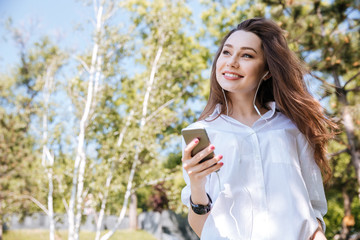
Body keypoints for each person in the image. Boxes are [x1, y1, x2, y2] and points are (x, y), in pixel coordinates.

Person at [181, 18, 336, 240]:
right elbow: (202, 228)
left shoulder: (292, 129)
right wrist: (197, 185)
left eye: (246, 55)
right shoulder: (202, 133)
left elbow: (313, 212)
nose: (232, 62)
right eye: (226, 52)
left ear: (267, 71)